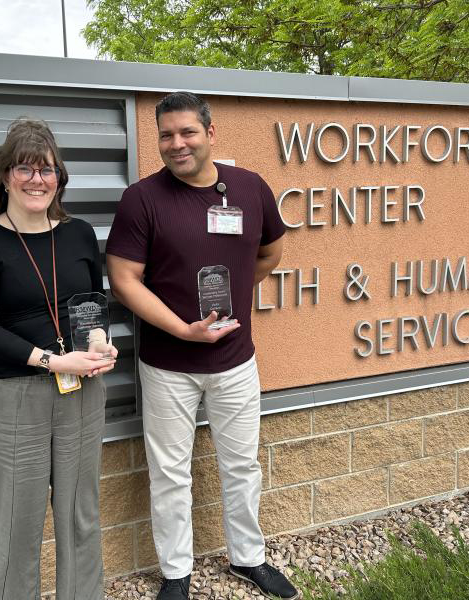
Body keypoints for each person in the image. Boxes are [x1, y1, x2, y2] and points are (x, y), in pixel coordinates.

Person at [106, 92, 297, 600]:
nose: (177, 143)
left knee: (242, 465)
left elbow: (271, 253)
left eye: (188, 132)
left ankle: (248, 559)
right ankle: (175, 573)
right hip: (167, 366)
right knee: (170, 473)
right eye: (166, 135)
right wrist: (182, 329)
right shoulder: (142, 199)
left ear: (211, 133)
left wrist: (235, 293)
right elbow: (123, 280)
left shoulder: (250, 188)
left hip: (235, 361)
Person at [0, 118, 117, 600]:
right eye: (24, 168)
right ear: (5, 176)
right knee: (14, 527)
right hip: (15, 397)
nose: (36, 179)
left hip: (82, 392)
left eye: (47, 170)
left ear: (58, 178)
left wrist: (99, 342)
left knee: (81, 517)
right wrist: (54, 361)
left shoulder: (79, 234)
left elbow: (91, 307)